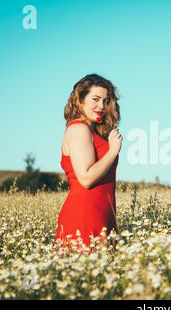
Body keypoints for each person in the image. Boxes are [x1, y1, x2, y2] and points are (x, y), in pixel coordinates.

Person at [54, 74, 123, 254]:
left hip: (103, 214)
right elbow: (86, 178)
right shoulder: (78, 129)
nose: (101, 106)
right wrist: (113, 151)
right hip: (84, 215)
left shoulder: (93, 132)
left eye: (106, 101)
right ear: (80, 100)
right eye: (95, 99)